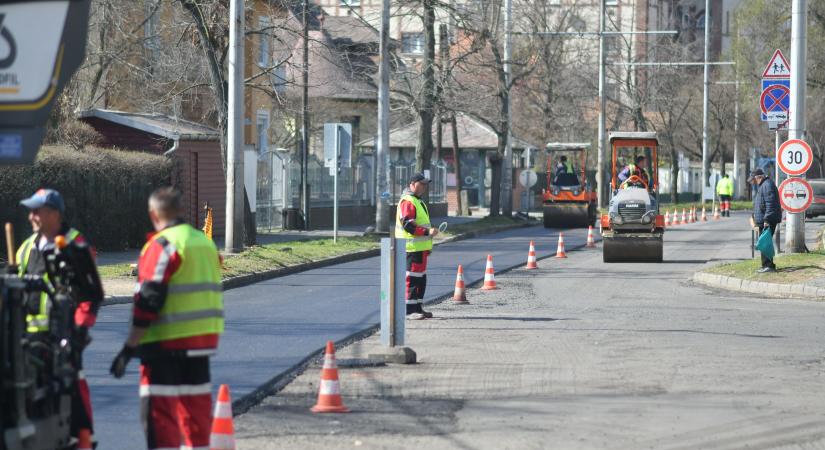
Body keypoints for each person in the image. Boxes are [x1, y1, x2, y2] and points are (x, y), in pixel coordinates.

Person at [110, 187, 224, 450]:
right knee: (196, 418)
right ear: (181, 211)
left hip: (164, 346)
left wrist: (129, 348)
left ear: (153, 214)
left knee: (161, 421)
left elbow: (149, 300)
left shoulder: (162, 246)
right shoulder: (204, 243)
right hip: (201, 344)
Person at [16, 188, 102, 448]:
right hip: (28, 340)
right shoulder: (27, 247)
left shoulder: (75, 245)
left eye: (36, 211)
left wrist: (76, 333)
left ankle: (83, 440)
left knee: (72, 389)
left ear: (54, 214)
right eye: (30, 211)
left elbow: (90, 295)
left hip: (62, 337)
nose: (31, 216)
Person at [396, 173, 439, 320]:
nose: (424, 187)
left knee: (420, 279)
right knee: (412, 279)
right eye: (422, 184)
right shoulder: (408, 201)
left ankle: (418, 308)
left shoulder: (417, 201)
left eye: (426, 184)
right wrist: (427, 231)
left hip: (420, 249)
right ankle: (409, 311)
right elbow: (408, 225)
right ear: (412, 184)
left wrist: (428, 234)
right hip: (411, 249)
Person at [749, 169, 781, 272]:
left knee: (765, 243)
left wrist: (767, 219)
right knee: (764, 242)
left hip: (767, 220)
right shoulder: (764, 185)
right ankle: (766, 265)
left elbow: (770, 204)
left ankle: (768, 266)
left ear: (759, 177)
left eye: (753, 179)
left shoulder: (767, 185)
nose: (753, 182)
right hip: (764, 220)